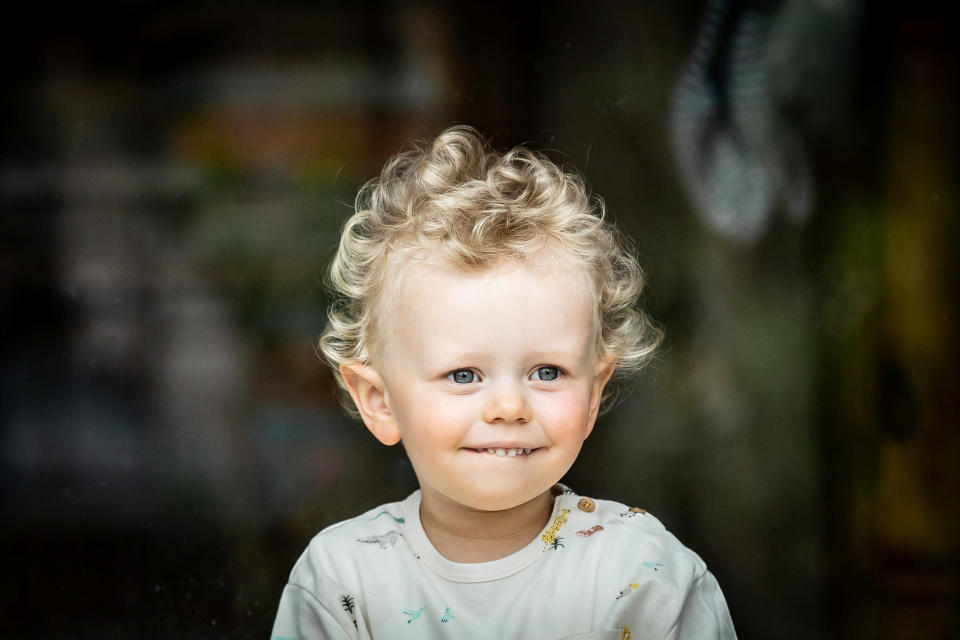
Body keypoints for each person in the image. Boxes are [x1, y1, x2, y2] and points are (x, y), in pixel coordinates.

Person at [271, 126, 736, 639]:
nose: (510, 406)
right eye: (464, 375)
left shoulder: (645, 577)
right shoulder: (344, 581)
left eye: (547, 372)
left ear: (594, 391)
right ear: (380, 402)